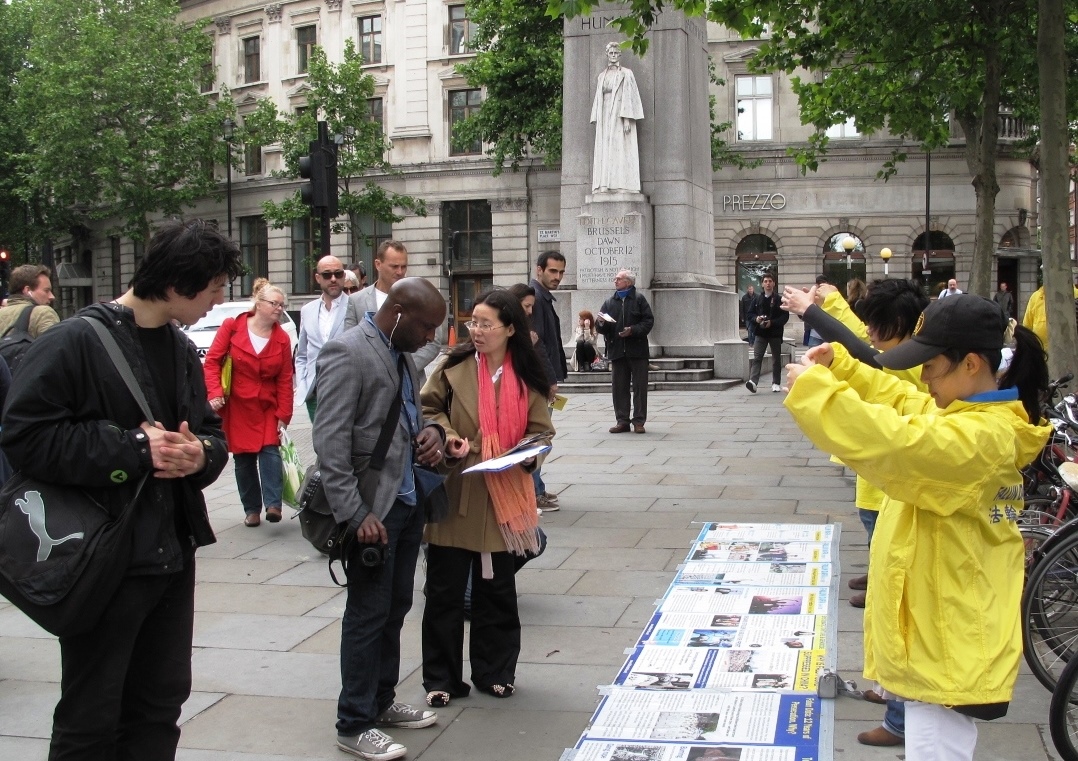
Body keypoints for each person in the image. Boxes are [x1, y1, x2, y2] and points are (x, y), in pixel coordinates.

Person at [1, 218, 237, 759]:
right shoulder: (72, 341)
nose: (219, 300)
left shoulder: (180, 347)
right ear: (176, 285)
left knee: (160, 705)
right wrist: (133, 449)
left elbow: (211, 435)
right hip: (102, 560)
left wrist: (201, 454)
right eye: (214, 288)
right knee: (91, 716)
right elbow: (25, 437)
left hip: (170, 554)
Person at [784, 295, 1051, 761]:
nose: (924, 378)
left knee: (936, 747)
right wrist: (844, 368)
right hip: (943, 626)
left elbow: (896, 443)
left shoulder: (980, 437)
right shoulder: (969, 415)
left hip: (949, 634)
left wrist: (815, 391)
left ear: (971, 364)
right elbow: (902, 400)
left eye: (931, 366)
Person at [783, 277, 930, 747]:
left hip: (895, 496)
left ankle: (900, 717)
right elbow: (874, 370)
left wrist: (816, 321)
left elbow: (874, 393)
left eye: (876, 325)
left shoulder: (957, 423)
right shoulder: (920, 378)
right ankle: (891, 695)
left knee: (901, 612)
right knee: (888, 603)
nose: (869, 334)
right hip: (885, 495)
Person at [313, 277, 448, 761]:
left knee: (395, 608)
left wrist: (431, 434)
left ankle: (382, 701)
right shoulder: (348, 352)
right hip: (373, 510)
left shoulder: (401, 353)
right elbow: (330, 441)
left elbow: (410, 414)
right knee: (367, 614)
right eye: (427, 327)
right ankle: (354, 722)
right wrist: (355, 513)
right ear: (398, 313)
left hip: (407, 501)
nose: (430, 337)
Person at [420, 288, 553, 708]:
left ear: (510, 329)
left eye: (485, 324)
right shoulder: (452, 367)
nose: (476, 330)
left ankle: (495, 671)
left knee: (496, 591)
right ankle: (441, 678)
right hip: (457, 490)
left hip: (504, 495)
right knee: (444, 591)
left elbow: (541, 432)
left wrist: (527, 456)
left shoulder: (527, 376)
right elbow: (428, 410)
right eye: (472, 322)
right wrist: (449, 437)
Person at [204, 279, 294, 527]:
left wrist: (284, 414)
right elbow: (212, 362)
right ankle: (251, 510)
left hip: (267, 405)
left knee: (270, 451)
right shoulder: (232, 327)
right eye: (274, 303)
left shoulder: (282, 339)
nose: (279, 308)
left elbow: (285, 379)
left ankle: (273, 505)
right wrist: (214, 392)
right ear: (259, 304)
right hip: (238, 406)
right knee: (243, 459)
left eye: (282, 305)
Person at [344, 240, 444, 383]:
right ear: (378, 264)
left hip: (409, 380)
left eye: (404, 266)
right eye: (394, 266)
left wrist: (400, 368)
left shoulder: (420, 296)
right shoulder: (356, 300)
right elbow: (350, 342)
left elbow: (433, 343)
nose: (400, 272)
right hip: (372, 382)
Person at [529, 252, 567, 509]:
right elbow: (538, 343)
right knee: (539, 436)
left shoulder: (543, 297)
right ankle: (533, 492)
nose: (558, 277)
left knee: (540, 435)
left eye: (561, 272)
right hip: (540, 381)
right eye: (553, 271)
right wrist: (551, 380)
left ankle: (538, 487)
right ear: (539, 270)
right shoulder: (535, 298)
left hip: (543, 378)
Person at [596, 270, 654, 433]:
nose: (615, 281)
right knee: (619, 388)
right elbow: (601, 328)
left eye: (619, 279)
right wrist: (600, 323)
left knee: (640, 387)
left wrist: (633, 330)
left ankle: (639, 421)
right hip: (617, 350)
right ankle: (622, 421)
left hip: (637, 350)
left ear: (628, 282)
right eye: (615, 278)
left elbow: (648, 321)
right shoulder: (609, 302)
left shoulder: (639, 299)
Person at [296, 255, 349, 419]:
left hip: (345, 391)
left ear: (344, 276)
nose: (333, 279)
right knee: (318, 435)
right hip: (315, 393)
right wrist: (303, 383)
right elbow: (302, 354)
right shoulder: (307, 310)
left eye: (338, 274)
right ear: (318, 278)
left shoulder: (355, 305)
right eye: (327, 275)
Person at [590, 41, 644, 193]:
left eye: (615, 53)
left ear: (619, 55)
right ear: (607, 55)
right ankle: (604, 184)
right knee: (605, 149)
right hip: (605, 114)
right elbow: (599, 97)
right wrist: (597, 117)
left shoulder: (626, 73)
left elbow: (629, 96)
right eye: (611, 53)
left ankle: (622, 184)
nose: (613, 55)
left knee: (620, 148)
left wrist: (627, 119)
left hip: (619, 114)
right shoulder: (602, 76)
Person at [745, 272, 788, 393]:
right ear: (762, 284)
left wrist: (772, 322)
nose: (768, 283)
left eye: (770, 281)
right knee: (757, 357)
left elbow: (785, 317)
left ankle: (776, 383)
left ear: (774, 283)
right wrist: (756, 319)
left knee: (776, 359)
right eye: (765, 281)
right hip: (760, 333)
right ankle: (753, 381)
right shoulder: (757, 299)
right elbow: (750, 314)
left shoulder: (779, 299)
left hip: (775, 333)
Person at [0, 263, 59, 338]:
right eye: (46, 290)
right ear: (27, 290)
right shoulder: (42, 313)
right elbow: (55, 343)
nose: (52, 296)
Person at [1021, 283, 1078, 353]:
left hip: (1069, 353)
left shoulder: (1075, 295)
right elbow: (1027, 328)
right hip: (1041, 352)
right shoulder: (1036, 296)